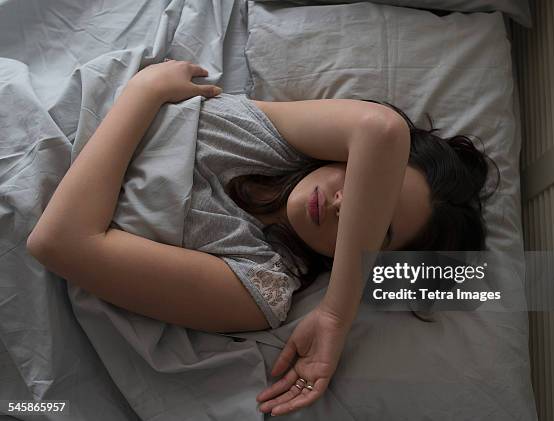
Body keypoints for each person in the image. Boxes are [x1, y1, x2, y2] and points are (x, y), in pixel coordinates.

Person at [26, 60, 498, 417]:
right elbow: (381, 129)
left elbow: (60, 242)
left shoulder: (259, 283)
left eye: (379, 225)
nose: (341, 204)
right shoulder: (267, 133)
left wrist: (142, 95)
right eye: (368, 186)